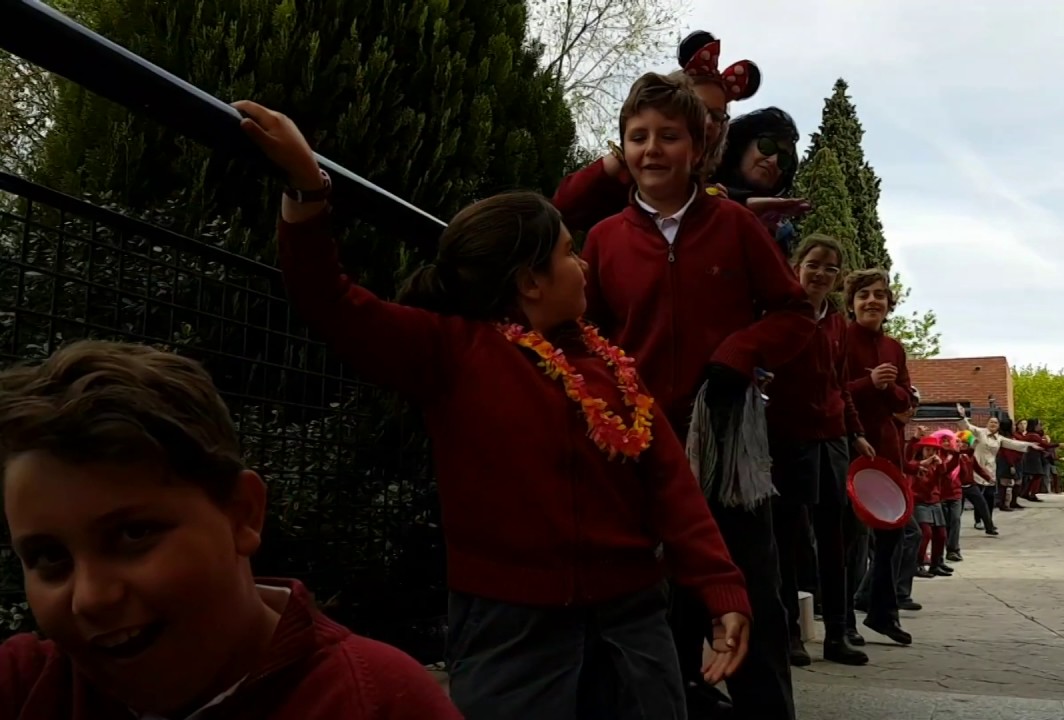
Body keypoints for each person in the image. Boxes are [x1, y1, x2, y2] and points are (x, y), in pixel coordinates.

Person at [234, 99, 754, 719]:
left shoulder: (614, 368)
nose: (583, 264)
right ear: (530, 281)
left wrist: (722, 589)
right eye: (568, 253)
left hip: (633, 627)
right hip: (512, 634)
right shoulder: (454, 353)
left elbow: (672, 487)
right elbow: (330, 301)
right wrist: (307, 188)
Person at [0, 341, 461, 719]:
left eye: (134, 534)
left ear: (242, 514)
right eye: (49, 557)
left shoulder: (378, 703)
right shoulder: (27, 686)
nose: (91, 598)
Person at [580, 72, 814, 720]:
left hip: (728, 453)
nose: (652, 149)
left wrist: (740, 352)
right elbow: (587, 339)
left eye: (669, 136)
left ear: (701, 146)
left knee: (752, 598)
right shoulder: (603, 240)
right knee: (657, 608)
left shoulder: (735, 225)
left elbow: (794, 313)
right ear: (624, 146)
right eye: (638, 136)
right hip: (642, 453)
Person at [766, 235, 872, 668]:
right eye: (813, 264)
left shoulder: (838, 324)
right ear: (797, 266)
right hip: (788, 438)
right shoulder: (779, 313)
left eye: (830, 268)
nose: (821, 274)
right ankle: (789, 632)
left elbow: (840, 383)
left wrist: (856, 431)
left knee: (835, 540)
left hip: (833, 440)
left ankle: (838, 634)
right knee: (790, 539)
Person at [553, 30, 761, 233]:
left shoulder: (717, 197)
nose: (707, 122)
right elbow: (562, 209)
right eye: (698, 109)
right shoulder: (624, 174)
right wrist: (619, 158)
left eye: (716, 116)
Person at [842, 269, 914, 646]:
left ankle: (883, 613)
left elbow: (905, 400)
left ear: (889, 304)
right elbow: (833, 392)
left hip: (886, 453)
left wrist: (887, 389)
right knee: (849, 539)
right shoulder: (839, 339)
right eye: (864, 295)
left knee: (892, 534)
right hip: (849, 447)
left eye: (880, 295)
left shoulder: (894, 348)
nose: (872, 301)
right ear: (851, 303)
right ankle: (843, 621)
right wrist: (868, 384)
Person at [710, 107, 810, 258]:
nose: (773, 161)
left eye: (783, 160)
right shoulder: (698, 190)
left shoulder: (779, 230)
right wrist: (743, 207)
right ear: (743, 144)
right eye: (767, 146)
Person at [957, 405, 1036, 516]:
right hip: (977, 469)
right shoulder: (980, 433)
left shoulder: (999, 439)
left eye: (995, 423)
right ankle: (978, 520)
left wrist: (1030, 445)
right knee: (979, 498)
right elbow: (967, 426)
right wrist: (962, 416)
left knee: (989, 496)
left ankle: (989, 520)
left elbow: (1014, 444)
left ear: (999, 426)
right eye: (991, 422)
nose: (993, 424)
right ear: (987, 424)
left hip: (990, 470)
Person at [908, 437, 950, 578]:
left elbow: (945, 477)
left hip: (935, 501)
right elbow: (916, 477)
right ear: (922, 450)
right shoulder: (915, 464)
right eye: (927, 449)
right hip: (919, 501)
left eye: (933, 450)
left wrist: (940, 465)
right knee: (925, 533)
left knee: (941, 534)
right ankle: (917, 564)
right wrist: (925, 463)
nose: (930, 452)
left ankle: (936, 564)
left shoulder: (936, 464)